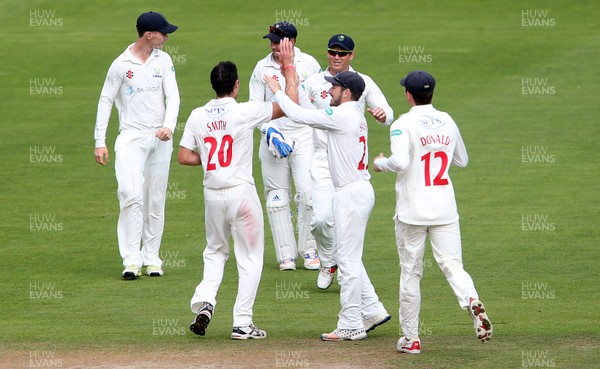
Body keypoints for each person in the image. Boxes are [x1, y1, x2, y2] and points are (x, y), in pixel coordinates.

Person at [264, 55, 389, 341]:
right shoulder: (352, 115)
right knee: (349, 257)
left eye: (334, 87)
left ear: (347, 93)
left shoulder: (342, 115)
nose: (328, 91)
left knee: (347, 260)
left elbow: (298, 116)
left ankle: (350, 325)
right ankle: (372, 311)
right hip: (355, 191)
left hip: (350, 194)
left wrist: (277, 90)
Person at [373, 70, 493, 353]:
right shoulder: (448, 120)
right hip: (444, 208)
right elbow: (461, 160)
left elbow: (400, 162)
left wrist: (380, 163)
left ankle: (411, 339)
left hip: (413, 211)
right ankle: (471, 299)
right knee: (453, 265)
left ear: (408, 95)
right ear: (432, 93)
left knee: (411, 273)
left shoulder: (402, 124)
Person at [178, 57, 297, 340]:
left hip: (212, 195)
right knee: (250, 258)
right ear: (236, 86)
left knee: (215, 251)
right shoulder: (245, 111)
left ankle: (205, 303)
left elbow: (183, 156)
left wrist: (209, 161)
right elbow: (290, 105)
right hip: (241, 193)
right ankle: (242, 322)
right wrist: (288, 71)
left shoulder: (197, 115)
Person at [304, 34, 394, 292]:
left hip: (351, 161)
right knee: (321, 219)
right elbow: (299, 111)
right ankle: (328, 261)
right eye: (332, 51)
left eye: (342, 53)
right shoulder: (313, 82)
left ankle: (347, 269)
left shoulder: (361, 82)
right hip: (322, 157)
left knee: (346, 220)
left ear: (351, 55)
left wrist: (382, 115)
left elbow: (388, 113)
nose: (336, 56)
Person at [93, 11, 180, 280]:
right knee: (131, 194)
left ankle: (152, 258)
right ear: (148, 34)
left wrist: (168, 126)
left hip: (160, 138)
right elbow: (106, 100)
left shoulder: (163, 60)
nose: (167, 37)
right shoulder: (121, 64)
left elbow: (173, 96)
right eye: (163, 33)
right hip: (130, 137)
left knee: (155, 199)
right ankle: (132, 259)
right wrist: (100, 141)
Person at [249, 21, 322, 271]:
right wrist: (269, 132)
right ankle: (286, 255)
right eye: (270, 41)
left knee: (307, 193)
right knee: (277, 199)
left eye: (277, 42)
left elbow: (317, 102)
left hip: (303, 135)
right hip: (274, 138)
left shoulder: (310, 64)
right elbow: (255, 108)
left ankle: (310, 250)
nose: (272, 46)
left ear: (291, 42)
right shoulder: (262, 67)